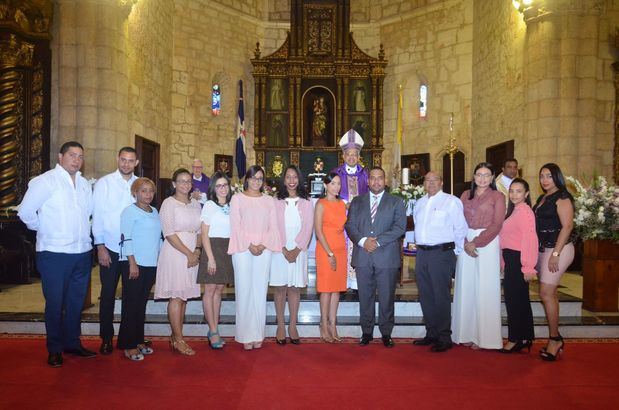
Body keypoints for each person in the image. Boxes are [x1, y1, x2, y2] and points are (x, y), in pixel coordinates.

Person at [18, 141, 96, 367]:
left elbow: (88, 214)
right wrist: (44, 228)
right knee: (55, 302)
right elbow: (25, 212)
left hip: (81, 251)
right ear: (60, 156)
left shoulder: (83, 184)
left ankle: (72, 343)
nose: (76, 160)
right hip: (54, 252)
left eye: (80, 156)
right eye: (72, 155)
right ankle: (54, 348)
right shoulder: (45, 181)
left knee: (75, 302)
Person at [345, 167, 406, 348]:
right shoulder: (357, 202)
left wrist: (377, 242)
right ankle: (367, 332)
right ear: (368, 181)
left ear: (385, 180)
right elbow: (350, 225)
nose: (376, 181)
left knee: (387, 297)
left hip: (386, 257)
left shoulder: (396, 202)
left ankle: (386, 333)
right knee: (365, 296)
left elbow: (399, 228)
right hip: (363, 256)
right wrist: (363, 241)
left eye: (380, 178)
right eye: (373, 178)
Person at [452, 162, 506, 350]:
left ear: (492, 178)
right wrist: (465, 242)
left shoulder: (498, 196)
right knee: (466, 287)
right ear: (474, 177)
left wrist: (477, 242)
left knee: (485, 288)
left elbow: (497, 223)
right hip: (465, 240)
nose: (482, 178)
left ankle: (484, 337)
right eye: (479, 175)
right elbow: (458, 221)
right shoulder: (466, 195)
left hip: (488, 243)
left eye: (486, 175)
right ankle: (464, 332)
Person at [412, 172, 467, 352]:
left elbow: (460, 228)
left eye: (435, 180)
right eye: (427, 180)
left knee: (440, 295)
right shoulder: (419, 203)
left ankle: (444, 336)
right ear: (423, 183)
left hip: (441, 253)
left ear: (441, 183)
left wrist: (456, 252)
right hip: (422, 254)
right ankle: (431, 333)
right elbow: (417, 226)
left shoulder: (451, 201)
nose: (431, 183)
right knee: (425, 295)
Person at [92, 146, 139, 355]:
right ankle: (106, 337)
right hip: (109, 247)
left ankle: (128, 337)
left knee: (131, 296)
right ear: (117, 159)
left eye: (130, 161)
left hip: (132, 250)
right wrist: (100, 246)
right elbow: (98, 216)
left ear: (136, 163)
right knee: (108, 294)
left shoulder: (140, 185)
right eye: (123, 159)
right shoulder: (104, 183)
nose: (126, 164)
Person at [228, 165, 281, 350]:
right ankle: (244, 335)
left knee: (259, 292)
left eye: (260, 178)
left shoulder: (269, 200)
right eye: (253, 178)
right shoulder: (237, 198)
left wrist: (262, 245)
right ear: (247, 179)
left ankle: (258, 334)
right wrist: (250, 245)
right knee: (244, 291)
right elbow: (236, 226)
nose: (256, 181)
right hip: (243, 250)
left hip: (264, 249)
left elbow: (273, 227)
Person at [154, 168, 202, 356]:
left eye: (188, 181)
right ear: (174, 184)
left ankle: (176, 337)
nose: (185, 184)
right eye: (181, 181)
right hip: (175, 253)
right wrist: (188, 254)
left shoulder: (196, 204)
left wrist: (196, 251)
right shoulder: (168, 203)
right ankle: (179, 339)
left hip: (192, 252)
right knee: (176, 296)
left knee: (183, 297)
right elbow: (169, 233)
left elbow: (199, 232)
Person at [533, 163, 575, 361]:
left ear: (557, 177)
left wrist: (556, 254)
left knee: (545, 292)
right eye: (542, 176)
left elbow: (567, 227)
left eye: (549, 176)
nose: (545, 179)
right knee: (550, 293)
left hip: (560, 248)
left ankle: (554, 338)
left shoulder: (563, 197)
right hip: (544, 249)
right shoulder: (542, 198)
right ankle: (555, 337)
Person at [117, 178, 161, 361]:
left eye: (150, 191)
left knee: (141, 305)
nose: (148, 194)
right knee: (131, 305)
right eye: (143, 191)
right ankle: (128, 345)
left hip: (151, 264)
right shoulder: (129, 211)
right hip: (134, 264)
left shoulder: (155, 211)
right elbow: (125, 238)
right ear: (135, 193)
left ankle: (138, 340)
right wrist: (132, 263)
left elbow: (158, 238)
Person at [270, 165, 314, 345]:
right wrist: (283, 248)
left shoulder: (307, 201)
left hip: (299, 249)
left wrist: (296, 249)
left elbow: (308, 227)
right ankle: (280, 325)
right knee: (280, 287)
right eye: (288, 177)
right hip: (279, 249)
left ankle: (293, 325)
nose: (291, 180)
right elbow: (272, 226)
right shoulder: (276, 201)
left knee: (295, 288)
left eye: (294, 177)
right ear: (283, 179)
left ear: (299, 178)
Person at [499, 178, 538, 354]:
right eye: (512, 191)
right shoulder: (514, 210)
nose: (514, 194)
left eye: (519, 191)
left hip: (519, 261)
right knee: (518, 300)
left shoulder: (525, 211)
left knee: (515, 301)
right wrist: (502, 261)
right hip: (511, 260)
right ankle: (524, 337)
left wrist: (528, 267)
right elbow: (506, 239)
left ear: (526, 194)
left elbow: (530, 240)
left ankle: (515, 339)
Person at [197, 171, 233, 350]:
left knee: (219, 290)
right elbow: (204, 234)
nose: (222, 188)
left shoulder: (233, 205)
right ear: (213, 188)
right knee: (210, 290)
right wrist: (210, 258)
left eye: (225, 185)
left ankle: (215, 327)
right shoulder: (209, 205)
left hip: (226, 250)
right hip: (212, 248)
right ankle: (212, 331)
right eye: (218, 185)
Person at [332, 129, 369, 290]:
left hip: (359, 219)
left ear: (359, 156)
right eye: (349, 154)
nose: (352, 157)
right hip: (340, 216)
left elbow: (370, 195)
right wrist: (343, 203)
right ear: (344, 155)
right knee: (341, 248)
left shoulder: (366, 174)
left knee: (357, 248)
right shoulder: (335, 173)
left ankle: (355, 284)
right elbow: (329, 194)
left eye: (355, 154)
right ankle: (341, 282)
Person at [314, 172, 347, 343]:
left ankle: (333, 323)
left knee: (336, 289)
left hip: (341, 248)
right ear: (326, 185)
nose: (336, 187)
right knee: (326, 289)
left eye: (338, 184)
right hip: (326, 249)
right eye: (333, 183)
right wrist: (330, 253)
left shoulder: (342, 204)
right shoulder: (321, 204)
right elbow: (318, 231)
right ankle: (323, 324)